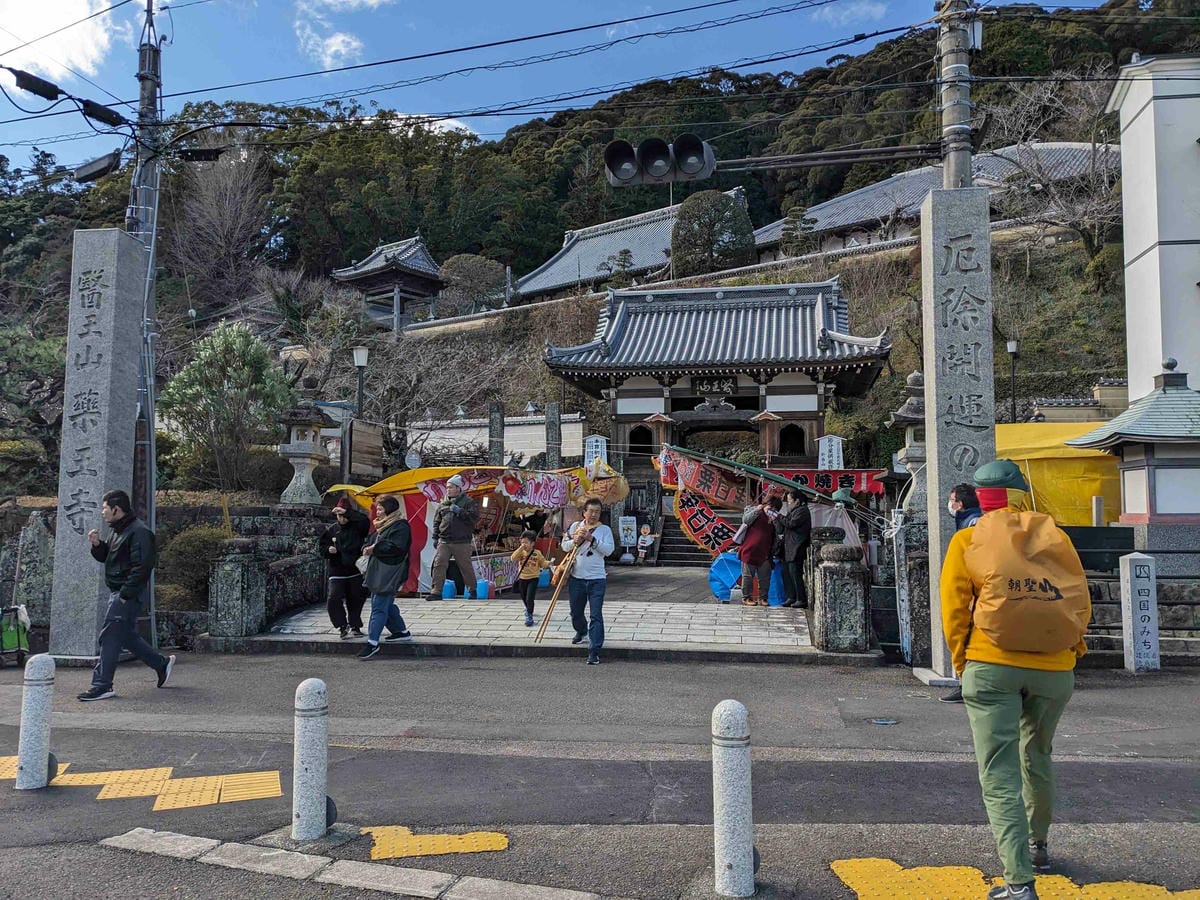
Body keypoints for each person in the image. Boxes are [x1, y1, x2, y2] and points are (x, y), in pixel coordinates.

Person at [940, 459, 1091, 900]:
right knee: (1038, 755)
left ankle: (1019, 880)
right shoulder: (1057, 538)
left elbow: (953, 608)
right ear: (1022, 493)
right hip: (1055, 667)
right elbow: (1081, 597)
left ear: (979, 498)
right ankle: (1039, 847)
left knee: (998, 773)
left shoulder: (969, 539)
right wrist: (1071, 653)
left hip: (991, 664)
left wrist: (962, 662)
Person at [78, 489, 174, 701]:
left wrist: (125, 594)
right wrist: (97, 545)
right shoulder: (117, 530)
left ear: (116, 509)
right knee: (127, 637)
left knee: (110, 636)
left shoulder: (139, 532)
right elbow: (112, 560)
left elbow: (142, 567)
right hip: (120, 592)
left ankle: (102, 685)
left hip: (126, 594)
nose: (102, 512)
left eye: (105, 508)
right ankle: (161, 664)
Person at [941, 482, 986, 703]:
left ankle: (966, 682)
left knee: (964, 631)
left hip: (975, 595)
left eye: (951, 501)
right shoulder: (977, 521)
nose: (949, 505)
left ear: (959, 504)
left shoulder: (971, 527)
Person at [358, 496, 414, 660]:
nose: (378, 512)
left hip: (390, 571)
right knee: (386, 604)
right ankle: (401, 631)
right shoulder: (381, 526)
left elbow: (397, 547)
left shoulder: (401, 526)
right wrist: (367, 548)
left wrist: (375, 548)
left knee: (379, 606)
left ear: (389, 510)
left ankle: (372, 643)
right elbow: (370, 541)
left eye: (381, 509)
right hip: (379, 569)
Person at [562, 497, 615, 665]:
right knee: (575, 612)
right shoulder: (574, 527)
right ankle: (581, 630)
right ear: (584, 512)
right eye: (590, 511)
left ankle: (594, 650)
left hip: (597, 579)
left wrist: (592, 540)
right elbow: (564, 546)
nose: (593, 515)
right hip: (576, 577)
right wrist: (574, 541)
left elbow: (609, 551)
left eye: (597, 512)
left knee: (596, 615)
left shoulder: (604, 530)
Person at [319, 498, 369, 639]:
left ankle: (355, 625)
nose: (341, 519)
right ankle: (341, 625)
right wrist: (328, 550)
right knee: (333, 598)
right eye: (339, 516)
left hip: (355, 569)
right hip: (337, 570)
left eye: (343, 515)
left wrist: (348, 513)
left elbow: (365, 521)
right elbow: (321, 547)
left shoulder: (358, 527)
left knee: (356, 599)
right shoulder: (332, 530)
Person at [426, 474, 480, 601]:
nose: (448, 490)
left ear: (458, 488)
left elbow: (474, 519)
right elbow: (437, 521)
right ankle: (436, 591)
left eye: (450, 487)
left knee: (465, 566)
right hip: (444, 540)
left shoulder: (468, 502)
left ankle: (472, 590)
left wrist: (459, 511)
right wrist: (435, 537)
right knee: (439, 564)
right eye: (447, 487)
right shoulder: (443, 503)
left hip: (461, 541)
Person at [737, 494, 780, 606]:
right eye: (770, 508)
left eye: (775, 509)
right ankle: (747, 597)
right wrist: (757, 510)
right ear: (766, 504)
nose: (771, 511)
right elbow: (745, 520)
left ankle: (763, 598)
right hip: (749, 550)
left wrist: (776, 520)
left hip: (765, 552)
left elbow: (779, 532)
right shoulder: (756, 511)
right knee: (747, 576)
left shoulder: (774, 519)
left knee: (765, 577)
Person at [776, 488, 812, 609]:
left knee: (795, 573)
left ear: (797, 501)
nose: (789, 503)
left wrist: (778, 516)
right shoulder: (793, 511)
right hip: (789, 546)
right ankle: (791, 596)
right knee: (787, 573)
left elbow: (791, 523)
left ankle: (800, 598)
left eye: (790, 501)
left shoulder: (802, 511)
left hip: (797, 546)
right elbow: (784, 525)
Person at [510, 529, 550, 627]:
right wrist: (520, 548)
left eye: (526, 542)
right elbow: (513, 558)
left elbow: (543, 563)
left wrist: (549, 563)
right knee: (523, 596)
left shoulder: (537, 553)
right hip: (522, 578)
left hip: (533, 578)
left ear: (532, 543)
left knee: (529, 597)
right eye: (522, 542)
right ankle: (528, 608)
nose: (524, 544)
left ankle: (529, 615)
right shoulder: (521, 552)